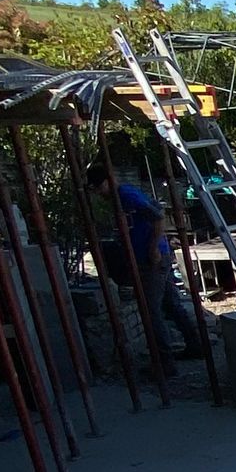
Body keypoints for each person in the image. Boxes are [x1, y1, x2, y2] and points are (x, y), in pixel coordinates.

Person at [89, 153, 202, 358]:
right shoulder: (122, 197)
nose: (98, 194)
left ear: (106, 182)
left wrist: (153, 248)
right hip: (155, 256)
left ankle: (164, 359)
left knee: (150, 311)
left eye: (98, 188)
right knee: (171, 304)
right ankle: (195, 345)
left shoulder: (126, 195)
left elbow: (158, 217)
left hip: (152, 260)